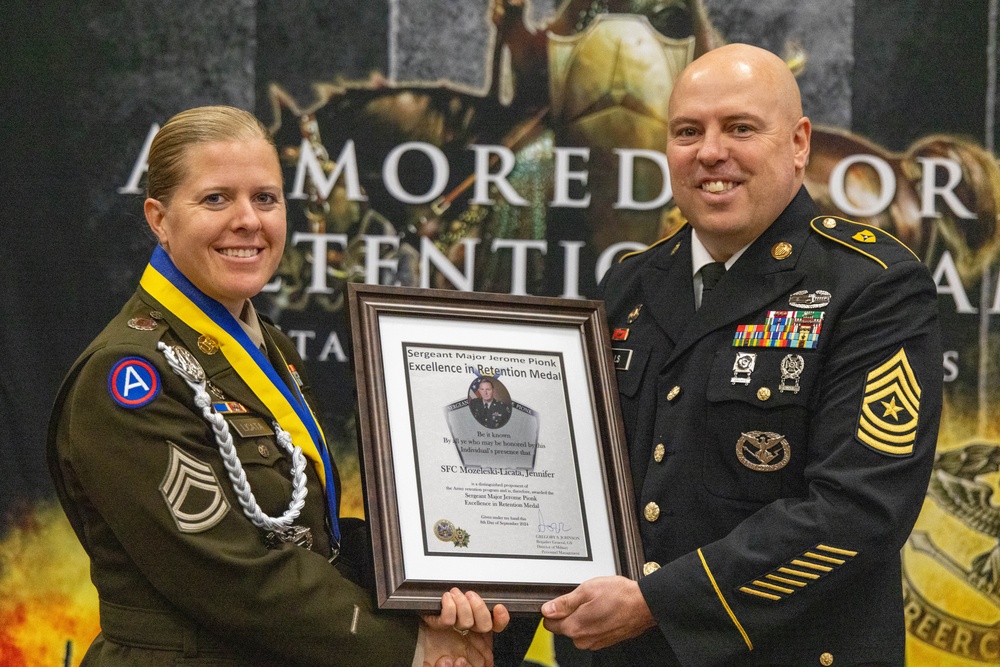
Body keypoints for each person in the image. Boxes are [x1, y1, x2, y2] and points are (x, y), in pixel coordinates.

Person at [47, 105, 508, 667]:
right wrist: (411, 648)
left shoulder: (269, 347)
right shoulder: (127, 378)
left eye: (265, 198)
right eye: (216, 198)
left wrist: (435, 582)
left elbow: (309, 536)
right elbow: (228, 573)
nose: (248, 220)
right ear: (159, 219)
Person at [540, 44, 942, 666]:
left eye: (740, 128)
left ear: (800, 142)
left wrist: (659, 602)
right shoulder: (630, 285)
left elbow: (858, 511)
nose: (709, 153)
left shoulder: (873, 286)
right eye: (687, 131)